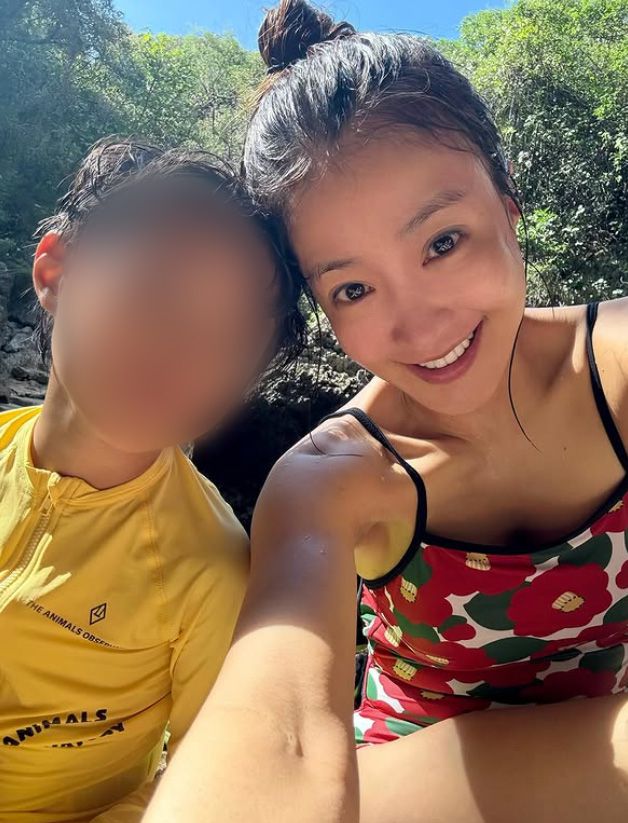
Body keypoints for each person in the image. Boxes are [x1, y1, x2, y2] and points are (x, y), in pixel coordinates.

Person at [145, 2, 628, 822]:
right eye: (354, 288)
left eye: (442, 242)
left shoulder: (617, 363)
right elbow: (279, 729)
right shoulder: (329, 480)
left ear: (508, 201)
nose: (421, 326)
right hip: (410, 787)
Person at [0, 137, 303, 821]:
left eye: (225, 339)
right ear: (55, 271)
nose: (176, 349)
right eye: (153, 290)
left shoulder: (208, 569)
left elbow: (211, 773)